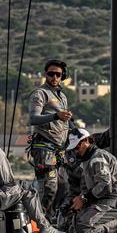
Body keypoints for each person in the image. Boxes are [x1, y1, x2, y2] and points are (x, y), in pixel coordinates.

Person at [27, 59, 74, 218]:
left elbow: (64, 122)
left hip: (59, 150)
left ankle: (52, 220)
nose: (54, 77)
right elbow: (33, 118)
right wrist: (55, 115)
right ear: (45, 74)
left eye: (58, 74)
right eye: (51, 74)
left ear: (63, 76)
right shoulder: (40, 93)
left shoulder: (62, 96)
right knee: (49, 188)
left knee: (63, 186)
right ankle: (39, 223)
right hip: (44, 147)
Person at [67, 128, 117, 233]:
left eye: (77, 146)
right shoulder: (86, 160)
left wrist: (84, 198)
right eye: (73, 148)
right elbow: (87, 188)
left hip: (112, 202)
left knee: (83, 228)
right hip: (99, 201)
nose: (75, 150)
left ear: (86, 141)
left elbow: (105, 186)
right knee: (72, 225)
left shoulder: (98, 157)